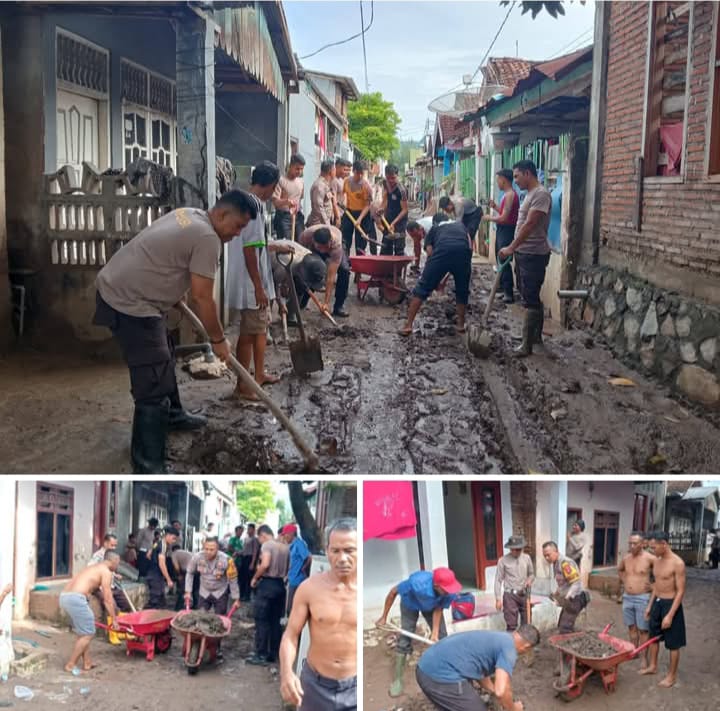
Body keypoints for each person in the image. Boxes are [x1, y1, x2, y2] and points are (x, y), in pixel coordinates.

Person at [93, 191, 257, 473]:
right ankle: (147, 464)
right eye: (238, 226)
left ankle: (173, 416)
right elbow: (203, 298)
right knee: (152, 380)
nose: (238, 234)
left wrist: (172, 293)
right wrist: (218, 340)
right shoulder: (207, 238)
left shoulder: (189, 213)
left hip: (123, 287)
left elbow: (167, 256)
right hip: (130, 302)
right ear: (221, 214)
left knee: (164, 353)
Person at [226, 161, 293, 402]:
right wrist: (259, 287)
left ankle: (259, 374)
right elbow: (249, 250)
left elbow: (255, 243)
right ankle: (243, 386)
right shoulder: (254, 206)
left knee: (259, 329)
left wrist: (274, 245)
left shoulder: (246, 201)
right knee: (248, 333)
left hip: (248, 278)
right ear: (272, 185)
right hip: (250, 281)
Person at [280, 518, 357, 711]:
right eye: (336, 550)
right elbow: (291, 634)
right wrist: (286, 673)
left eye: (349, 550)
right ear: (327, 551)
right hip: (315, 686)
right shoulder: (309, 589)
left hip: (355, 689)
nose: (342, 558)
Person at [375, 566, 462, 698]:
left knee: (442, 638)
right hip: (410, 604)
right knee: (405, 639)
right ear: (436, 585)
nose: (449, 591)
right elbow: (393, 592)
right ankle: (397, 679)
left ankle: (446, 672)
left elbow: (438, 608)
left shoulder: (448, 592)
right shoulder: (416, 582)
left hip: (431, 607)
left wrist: (435, 632)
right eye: (446, 589)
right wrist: (384, 617)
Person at [498, 160, 552, 357]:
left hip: (533, 253)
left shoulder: (541, 194)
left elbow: (529, 225)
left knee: (530, 298)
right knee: (527, 294)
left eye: (517, 176)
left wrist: (512, 247)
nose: (516, 180)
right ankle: (533, 337)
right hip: (524, 253)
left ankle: (527, 345)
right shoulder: (529, 194)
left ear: (528, 173)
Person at [415, 625, 539, 711]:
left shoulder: (500, 638)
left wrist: (492, 691)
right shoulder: (509, 650)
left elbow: (480, 671)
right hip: (437, 676)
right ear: (527, 647)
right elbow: (501, 691)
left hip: (425, 667)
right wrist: (513, 708)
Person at [400, 215, 473, 337]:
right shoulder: (461, 226)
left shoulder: (434, 229)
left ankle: (408, 325)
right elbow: (470, 247)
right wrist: (444, 278)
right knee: (462, 290)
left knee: (422, 288)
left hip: (443, 251)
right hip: (464, 253)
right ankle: (461, 325)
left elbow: (430, 253)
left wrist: (431, 277)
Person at [59, 551, 120, 673]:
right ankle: (70, 665)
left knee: (83, 633)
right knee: (88, 633)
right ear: (113, 561)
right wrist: (114, 619)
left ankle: (87, 663)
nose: (118, 566)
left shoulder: (93, 567)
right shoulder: (106, 572)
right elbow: (108, 599)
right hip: (76, 598)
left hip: (64, 596)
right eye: (118, 563)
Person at [641, 531, 686, 688]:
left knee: (673, 643)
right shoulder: (657, 561)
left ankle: (671, 676)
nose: (652, 550)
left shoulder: (677, 563)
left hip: (671, 603)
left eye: (654, 547)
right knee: (654, 637)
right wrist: (649, 606)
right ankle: (653, 666)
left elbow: (680, 591)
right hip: (657, 603)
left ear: (664, 544)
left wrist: (670, 615)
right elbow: (657, 585)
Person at [247, 525, 290, 666]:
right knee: (275, 621)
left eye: (259, 539)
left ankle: (260, 654)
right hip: (280, 586)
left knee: (261, 620)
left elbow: (265, 564)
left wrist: (255, 578)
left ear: (262, 535)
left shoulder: (267, 545)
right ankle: (273, 653)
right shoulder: (285, 547)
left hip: (267, 585)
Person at [618, 531, 655, 669]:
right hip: (628, 597)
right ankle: (634, 651)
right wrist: (624, 581)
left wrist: (654, 586)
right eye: (630, 543)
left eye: (635, 543)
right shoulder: (626, 558)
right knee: (631, 627)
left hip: (642, 598)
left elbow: (662, 574)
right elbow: (620, 569)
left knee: (643, 629)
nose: (631, 546)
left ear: (643, 544)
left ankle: (644, 658)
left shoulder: (650, 558)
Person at [270, 239, 327, 325]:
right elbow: (274, 286)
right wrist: (281, 304)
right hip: (267, 260)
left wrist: (286, 284)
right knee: (268, 295)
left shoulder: (309, 257)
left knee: (300, 287)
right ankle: (265, 324)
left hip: (289, 262)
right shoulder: (287, 263)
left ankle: (290, 317)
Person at [483, 169, 519, 303]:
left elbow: (504, 218)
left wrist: (489, 218)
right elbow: (505, 213)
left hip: (507, 229)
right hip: (503, 229)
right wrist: (495, 207)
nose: (497, 182)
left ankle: (508, 292)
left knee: (503, 260)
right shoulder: (506, 195)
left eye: (498, 180)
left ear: (503, 179)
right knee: (500, 259)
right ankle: (504, 289)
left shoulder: (510, 195)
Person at [299, 224, 351, 318]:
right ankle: (303, 299)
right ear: (313, 241)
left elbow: (331, 277)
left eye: (325, 248)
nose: (323, 251)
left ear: (330, 242)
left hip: (335, 247)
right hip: (312, 249)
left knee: (344, 270)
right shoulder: (306, 237)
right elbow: (299, 261)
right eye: (320, 248)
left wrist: (326, 303)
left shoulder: (336, 245)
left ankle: (339, 306)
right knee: (312, 267)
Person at [542, 541, 589, 633]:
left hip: (575, 598)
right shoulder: (556, 563)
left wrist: (567, 597)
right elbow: (564, 583)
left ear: (556, 551)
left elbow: (576, 583)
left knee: (565, 628)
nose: (547, 558)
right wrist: (557, 593)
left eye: (548, 555)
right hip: (569, 599)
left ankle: (572, 645)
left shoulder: (565, 563)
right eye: (545, 556)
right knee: (562, 625)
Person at [495, 536, 535, 632]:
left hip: (524, 594)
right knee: (511, 624)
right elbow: (498, 580)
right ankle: (511, 643)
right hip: (510, 595)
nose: (516, 552)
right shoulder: (502, 560)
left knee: (527, 622)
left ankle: (524, 643)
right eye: (513, 549)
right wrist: (498, 599)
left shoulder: (527, 558)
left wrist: (529, 580)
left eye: (518, 549)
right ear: (510, 548)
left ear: (522, 548)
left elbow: (531, 574)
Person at [341, 161, 374, 255]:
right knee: (346, 239)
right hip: (349, 212)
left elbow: (368, 205)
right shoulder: (347, 181)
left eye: (362, 173)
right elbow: (343, 195)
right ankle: (345, 262)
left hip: (363, 215)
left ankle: (359, 263)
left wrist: (359, 219)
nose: (360, 176)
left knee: (360, 242)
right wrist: (343, 203)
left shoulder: (366, 186)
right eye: (357, 173)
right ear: (353, 171)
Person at [280, 523, 312, 614]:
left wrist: (303, 568)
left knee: (292, 607)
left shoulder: (299, 544)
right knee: (289, 605)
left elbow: (308, 557)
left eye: (285, 534)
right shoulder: (292, 545)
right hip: (291, 577)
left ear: (291, 533)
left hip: (297, 579)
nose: (284, 537)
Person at [272, 154, 305, 240]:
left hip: (297, 217)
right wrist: (286, 201)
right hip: (283, 217)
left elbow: (300, 198)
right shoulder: (281, 181)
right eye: (297, 168)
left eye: (301, 169)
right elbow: (275, 202)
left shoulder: (301, 182)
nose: (299, 171)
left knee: (300, 243)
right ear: (290, 166)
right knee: (285, 245)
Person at [145, 525, 179, 609]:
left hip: (152, 574)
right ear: (167, 535)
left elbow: (148, 555)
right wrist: (168, 579)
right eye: (173, 538)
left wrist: (153, 562)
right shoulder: (163, 545)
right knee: (156, 602)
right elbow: (162, 563)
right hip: (156, 576)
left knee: (161, 600)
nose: (174, 541)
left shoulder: (157, 542)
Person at [378, 164, 409, 256]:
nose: (391, 181)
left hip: (400, 221)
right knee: (386, 247)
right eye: (388, 178)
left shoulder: (401, 190)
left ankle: (397, 269)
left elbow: (405, 210)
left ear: (397, 176)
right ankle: (386, 269)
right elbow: (386, 198)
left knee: (399, 249)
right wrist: (382, 208)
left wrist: (393, 223)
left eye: (393, 178)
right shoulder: (385, 183)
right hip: (388, 218)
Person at [307, 160, 335, 227]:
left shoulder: (326, 184)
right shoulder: (319, 185)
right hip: (319, 224)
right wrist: (327, 224)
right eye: (334, 170)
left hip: (324, 223)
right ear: (330, 171)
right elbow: (319, 207)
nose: (335, 172)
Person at [170, 545, 198, 611]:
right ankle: (195, 607)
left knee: (183, 590)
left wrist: (179, 575)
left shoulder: (174, 554)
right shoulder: (186, 552)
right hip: (196, 570)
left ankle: (178, 608)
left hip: (188, 570)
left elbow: (176, 567)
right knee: (194, 590)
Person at [239, 523, 261, 601]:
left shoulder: (254, 539)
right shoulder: (246, 538)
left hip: (250, 559)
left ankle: (247, 595)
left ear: (253, 530)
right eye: (247, 529)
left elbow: (255, 551)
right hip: (244, 558)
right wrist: (238, 552)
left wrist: (252, 563)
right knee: (242, 577)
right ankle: (241, 594)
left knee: (248, 578)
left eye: (249, 529)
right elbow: (244, 549)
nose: (248, 530)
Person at [332, 159, 352, 226]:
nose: (346, 172)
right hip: (336, 214)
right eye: (344, 169)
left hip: (343, 212)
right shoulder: (334, 181)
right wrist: (337, 217)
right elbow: (333, 201)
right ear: (337, 167)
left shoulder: (342, 180)